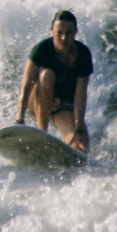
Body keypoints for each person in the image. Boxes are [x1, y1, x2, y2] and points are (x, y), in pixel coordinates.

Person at [16, 10, 92, 151]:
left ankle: (70, 152)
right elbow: (25, 87)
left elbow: (80, 94)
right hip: (38, 102)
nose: (64, 38)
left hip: (61, 106)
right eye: (59, 33)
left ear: (76, 32)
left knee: (80, 146)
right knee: (47, 75)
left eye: (69, 33)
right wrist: (19, 119)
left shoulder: (83, 54)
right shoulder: (41, 49)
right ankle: (42, 133)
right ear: (52, 31)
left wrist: (79, 123)